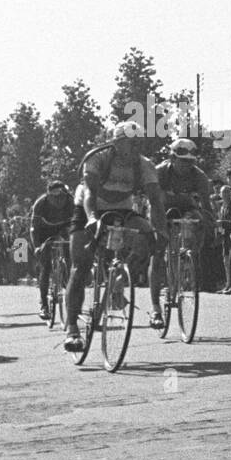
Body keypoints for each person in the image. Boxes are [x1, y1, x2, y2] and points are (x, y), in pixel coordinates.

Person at [62, 122, 166, 351]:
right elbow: (89, 192)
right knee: (80, 265)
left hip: (122, 207)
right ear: (117, 143)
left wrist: (161, 230)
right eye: (130, 143)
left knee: (148, 239)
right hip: (89, 207)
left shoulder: (144, 164)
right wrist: (91, 219)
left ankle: (117, 283)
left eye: (138, 143)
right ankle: (71, 328)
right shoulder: (98, 158)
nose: (135, 148)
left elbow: (156, 201)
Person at [153, 138, 215, 326]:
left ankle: (187, 257)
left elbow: (205, 205)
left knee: (198, 220)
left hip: (186, 207)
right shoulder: (159, 172)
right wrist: (159, 227)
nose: (186, 166)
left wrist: (209, 226)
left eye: (190, 162)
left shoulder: (199, 176)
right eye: (182, 161)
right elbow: (153, 202)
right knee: (157, 251)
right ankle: (155, 308)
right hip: (160, 207)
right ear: (172, 157)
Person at [30, 180, 72, 319]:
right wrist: (37, 247)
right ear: (48, 196)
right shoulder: (40, 203)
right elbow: (33, 228)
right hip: (43, 231)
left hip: (63, 229)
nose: (59, 201)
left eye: (61, 197)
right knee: (46, 267)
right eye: (55, 197)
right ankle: (44, 305)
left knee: (70, 255)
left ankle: (68, 283)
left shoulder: (70, 201)